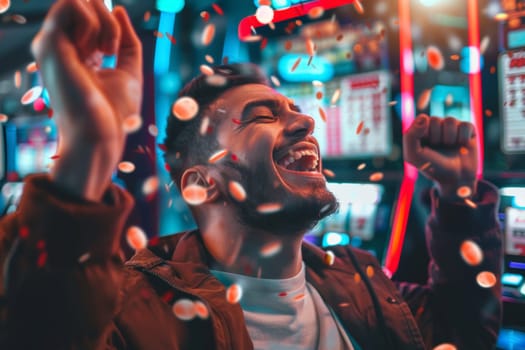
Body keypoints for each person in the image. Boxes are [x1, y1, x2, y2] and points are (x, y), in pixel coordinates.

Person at [0, 0, 503, 349]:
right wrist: (87, 152)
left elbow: (463, 333)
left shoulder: (359, 279)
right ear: (202, 182)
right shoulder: (136, 310)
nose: (306, 120)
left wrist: (459, 196)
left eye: (294, 109)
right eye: (264, 116)